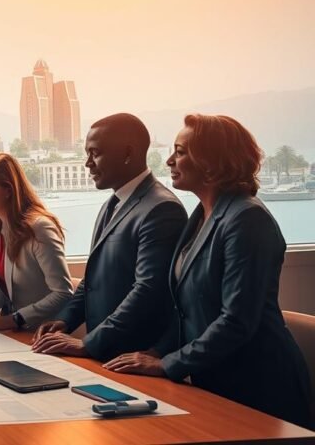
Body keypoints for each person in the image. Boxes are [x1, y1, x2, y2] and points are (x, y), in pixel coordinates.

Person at [103, 114, 310, 427]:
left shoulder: (247, 219)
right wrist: (156, 353)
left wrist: (166, 364)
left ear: (213, 161)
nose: (170, 160)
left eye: (181, 151)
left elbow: (236, 320)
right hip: (215, 380)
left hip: (259, 388)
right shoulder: (200, 215)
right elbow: (186, 310)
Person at [32, 113, 187, 361]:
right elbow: (91, 280)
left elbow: (148, 291)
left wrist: (87, 344)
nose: (87, 163)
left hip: (134, 356)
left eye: (95, 153)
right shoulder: (111, 204)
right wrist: (63, 321)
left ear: (128, 153)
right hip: (105, 355)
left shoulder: (161, 209)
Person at [0, 153, 73, 330]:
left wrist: (13, 320)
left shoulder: (40, 228)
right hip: (13, 333)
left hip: (41, 332)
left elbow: (62, 293)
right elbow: (0, 285)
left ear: (8, 190)